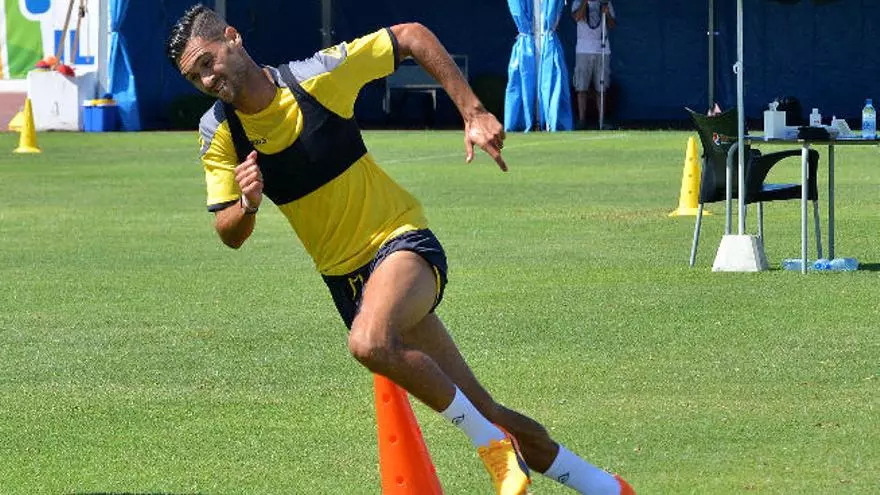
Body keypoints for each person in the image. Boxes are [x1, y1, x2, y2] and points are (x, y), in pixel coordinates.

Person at [165, 5, 634, 494]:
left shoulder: (315, 79)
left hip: (401, 243)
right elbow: (229, 231)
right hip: (348, 285)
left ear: (233, 38)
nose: (206, 79)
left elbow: (410, 35)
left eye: (208, 61)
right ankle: (605, 487)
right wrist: (248, 203)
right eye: (194, 76)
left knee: (368, 343)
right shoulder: (218, 131)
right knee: (485, 408)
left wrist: (473, 111)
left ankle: (492, 447)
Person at [571, 0, 616, 130]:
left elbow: (612, 25)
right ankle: (581, 120)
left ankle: (602, 120)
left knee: (601, 87)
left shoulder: (606, 2)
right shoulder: (578, 2)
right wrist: (585, 2)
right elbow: (577, 17)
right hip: (583, 49)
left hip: (602, 49)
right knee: (581, 87)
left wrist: (607, 13)